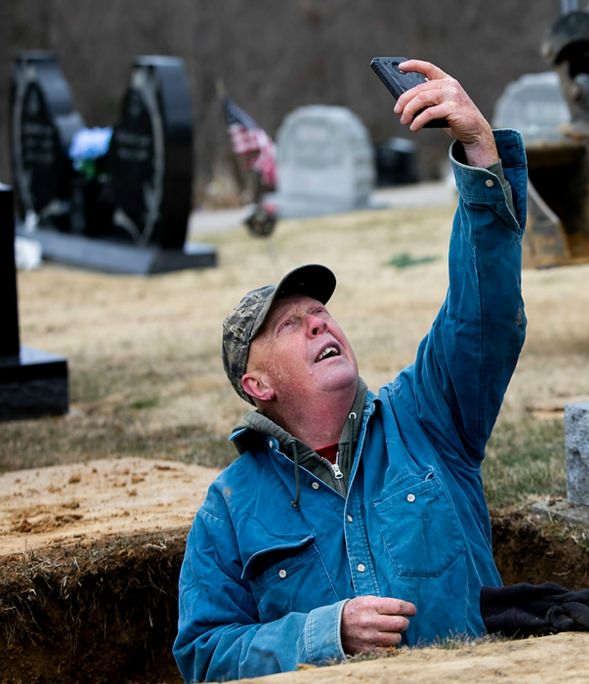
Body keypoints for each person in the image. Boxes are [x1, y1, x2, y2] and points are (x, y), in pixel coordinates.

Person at [173, 59, 527, 681]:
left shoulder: (431, 418)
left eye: (320, 312)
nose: (319, 323)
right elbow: (204, 655)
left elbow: (484, 317)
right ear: (258, 385)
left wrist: (479, 149)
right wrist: (324, 632)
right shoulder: (229, 508)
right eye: (290, 325)